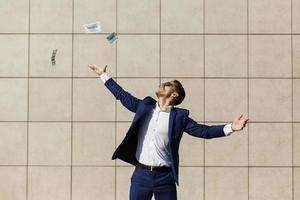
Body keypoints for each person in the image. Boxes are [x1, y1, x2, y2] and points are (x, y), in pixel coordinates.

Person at [88, 64, 248, 200]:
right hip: (141, 175)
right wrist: (103, 75)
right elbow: (123, 96)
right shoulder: (144, 107)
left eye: (168, 84)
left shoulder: (180, 117)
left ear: (174, 94)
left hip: (165, 178)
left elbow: (204, 131)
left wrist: (231, 128)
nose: (163, 84)